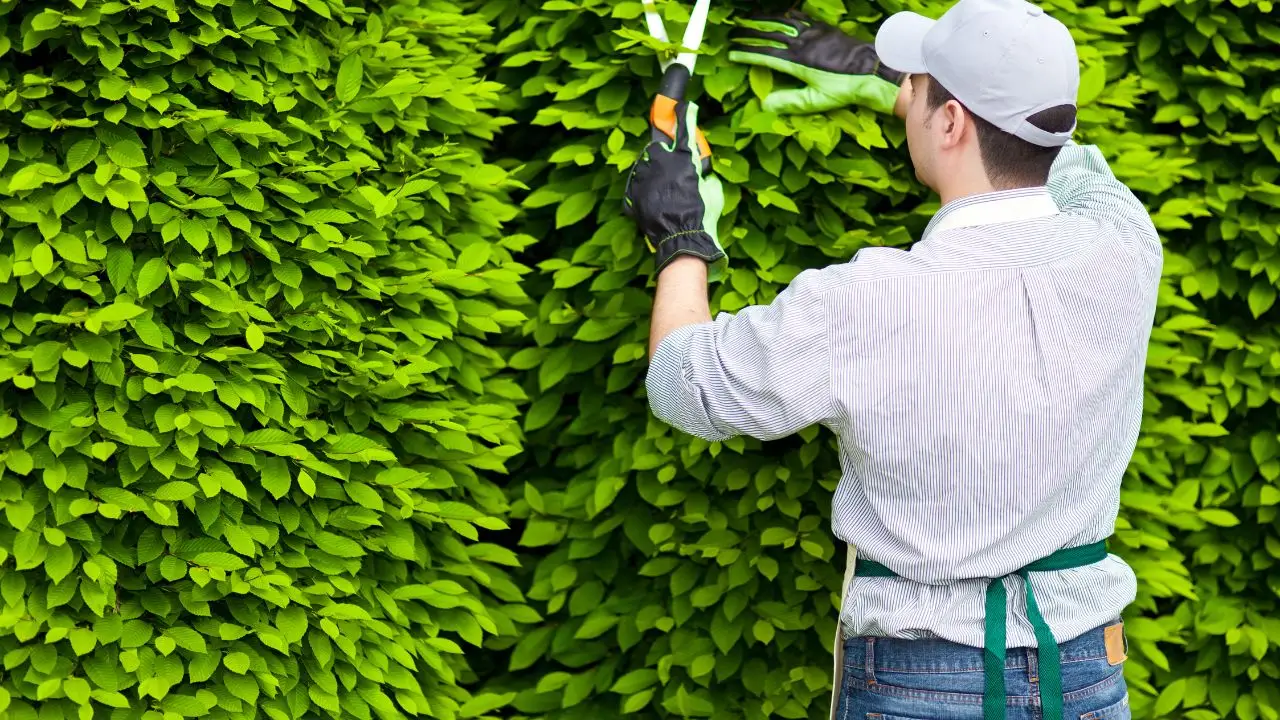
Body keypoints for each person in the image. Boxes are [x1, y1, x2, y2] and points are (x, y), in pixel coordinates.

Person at [621, 0, 1162, 718]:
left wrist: (680, 234)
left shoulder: (867, 300)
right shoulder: (1126, 244)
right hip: (1089, 674)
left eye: (920, 89)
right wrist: (906, 83)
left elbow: (685, 382)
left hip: (920, 684)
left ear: (952, 122)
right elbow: (1072, 159)